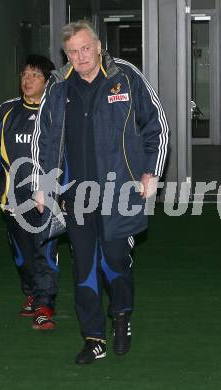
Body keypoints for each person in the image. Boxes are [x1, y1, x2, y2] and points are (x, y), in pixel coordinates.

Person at [32, 20, 169, 363]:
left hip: (119, 193)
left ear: (98, 45)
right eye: (72, 52)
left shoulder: (125, 76)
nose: (80, 57)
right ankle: (93, 338)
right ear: (66, 55)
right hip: (76, 196)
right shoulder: (59, 86)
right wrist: (43, 185)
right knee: (84, 267)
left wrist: (151, 171)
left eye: (85, 48)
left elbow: (157, 125)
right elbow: (45, 138)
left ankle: (121, 315)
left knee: (115, 261)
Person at [0, 54, 59, 330]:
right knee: (22, 256)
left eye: (35, 75)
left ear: (47, 81)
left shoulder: (55, 112)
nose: (27, 80)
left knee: (45, 253)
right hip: (12, 200)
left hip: (46, 200)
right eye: (25, 74)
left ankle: (44, 305)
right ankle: (32, 292)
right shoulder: (7, 111)